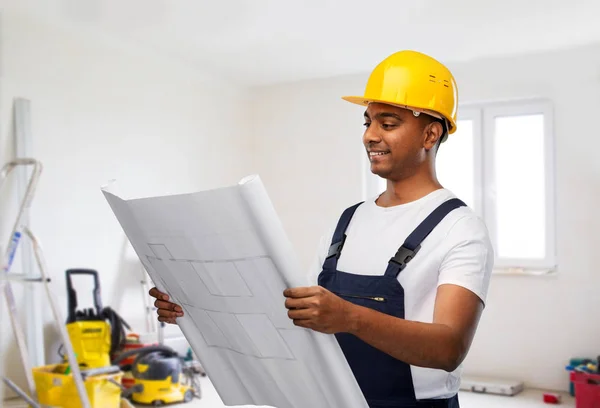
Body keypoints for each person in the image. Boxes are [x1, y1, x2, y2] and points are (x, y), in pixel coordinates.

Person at [149, 50, 494, 408]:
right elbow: (298, 322)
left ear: (430, 134)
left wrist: (349, 318)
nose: (370, 136)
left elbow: (449, 348)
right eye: (367, 123)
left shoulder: (460, 228)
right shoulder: (347, 222)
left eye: (387, 124)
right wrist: (195, 310)